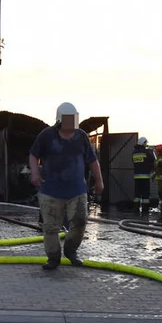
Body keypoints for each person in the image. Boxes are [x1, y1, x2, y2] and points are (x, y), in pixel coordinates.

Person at [29, 102, 103, 270]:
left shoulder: (81, 136)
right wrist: (35, 173)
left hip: (76, 190)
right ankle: (53, 258)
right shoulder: (46, 136)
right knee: (50, 227)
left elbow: (92, 160)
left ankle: (71, 251)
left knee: (80, 222)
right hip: (50, 191)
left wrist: (99, 180)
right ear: (59, 120)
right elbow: (33, 155)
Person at [131, 137, 155, 214]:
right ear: (143, 143)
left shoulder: (134, 152)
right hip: (145, 176)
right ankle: (145, 210)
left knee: (137, 194)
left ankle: (136, 209)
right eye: (145, 143)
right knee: (145, 195)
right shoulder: (147, 152)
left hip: (137, 176)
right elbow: (153, 160)